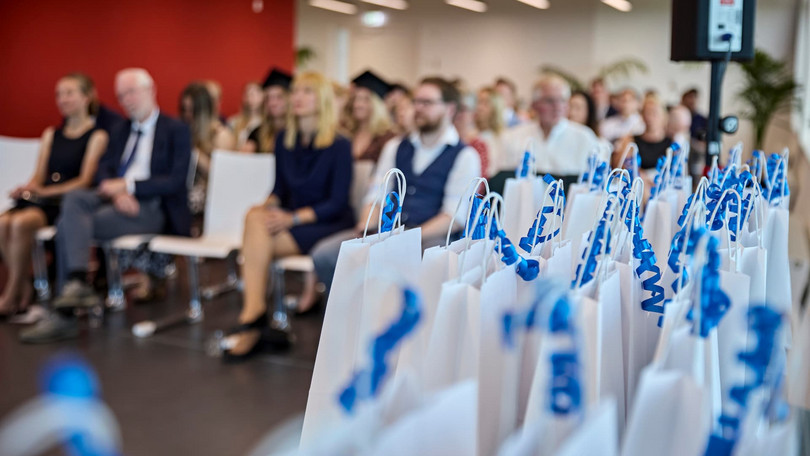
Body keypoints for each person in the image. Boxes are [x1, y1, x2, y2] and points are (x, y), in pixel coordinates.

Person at [20, 68, 192, 343]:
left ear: (151, 90)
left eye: (131, 92)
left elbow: (175, 180)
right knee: (75, 199)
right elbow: (104, 169)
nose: (126, 100)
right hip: (115, 202)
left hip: (150, 207)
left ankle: (66, 313)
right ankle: (76, 285)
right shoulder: (119, 129)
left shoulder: (176, 130)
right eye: (121, 95)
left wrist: (129, 187)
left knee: (67, 224)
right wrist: (116, 193)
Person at [223, 71, 354, 359]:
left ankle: (252, 321)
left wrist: (292, 218)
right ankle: (254, 313)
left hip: (326, 223)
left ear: (321, 100)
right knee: (254, 216)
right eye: (296, 91)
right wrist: (266, 205)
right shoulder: (284, 139)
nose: (297, 97)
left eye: (306, 92)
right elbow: (279, 190)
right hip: (293, 222)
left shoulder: (339, 144)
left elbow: (336, 202)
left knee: (256, 230)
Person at [311, 76, 482, 295]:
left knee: (428, 264)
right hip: (389, 230)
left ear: (449, 109)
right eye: (416, 101)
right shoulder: (395, 146)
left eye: (427, 103)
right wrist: (367, 222)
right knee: (325, 254)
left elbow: (454, 217)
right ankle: (351, 318)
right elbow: (378, 193)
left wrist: (408, 238)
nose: (418, 108)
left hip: (431, 237)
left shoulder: (465, 155)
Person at [0, 73, 108, 318]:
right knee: (3, 221)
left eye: (69, 93)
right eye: (59, 94)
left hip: (63, 202)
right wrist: (27, 189)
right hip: (41, 198)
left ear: (86, 97)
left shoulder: (96, 136)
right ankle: (24, 286)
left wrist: (45, 191)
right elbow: (38, 175)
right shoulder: (51, 134)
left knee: (20, 223)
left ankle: (11, 293)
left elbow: (84, 180)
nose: (62, 99)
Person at [497, 75, 600, 192]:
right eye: (549, 101)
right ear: (534, 105)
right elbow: (501, 182)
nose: (557, 107)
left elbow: (593, 186)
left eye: (562, 100)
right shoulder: (513, 136)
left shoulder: (584, 138)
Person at [178, 82, 236, 216]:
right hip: (183, 186)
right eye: (184, 109)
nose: (188, 114)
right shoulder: (183, 129)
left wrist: (193, 151)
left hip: (209, 193)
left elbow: (221, 175)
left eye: (192, 110)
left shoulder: (221, 135)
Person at [347, 70, 396, 163]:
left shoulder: (387, 138)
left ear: (377, 105)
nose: (357, 104)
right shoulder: (348, 134)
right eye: (355, 99)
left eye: (366, 99)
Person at [613, 97, 672, 171]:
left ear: (664, 116)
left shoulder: (672, 143)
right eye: (646, 113)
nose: (649, 117)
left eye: (654, 113)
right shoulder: (631, 140)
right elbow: (619, 166)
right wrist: (639, 173)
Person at [245, 68, 292, 154]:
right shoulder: (257, 133)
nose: (273, 103)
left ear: (289, 99)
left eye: (279, 97)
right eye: (268, 98)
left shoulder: (299, 134)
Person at [454, 91, 489, 179]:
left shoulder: (479, 145)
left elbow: (479, 184)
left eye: (463, 109)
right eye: (456, 108)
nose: (458, 113)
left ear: (474, 114)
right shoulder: (448, 139)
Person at [474, 87, 506, 178]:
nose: (479, 107)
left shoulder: (502, 138)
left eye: (485, 103)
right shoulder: (470, 136)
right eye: (477, 102)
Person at [228, 81, 265, 149]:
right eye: (248, 93)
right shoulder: (235, 122)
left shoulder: (266, 123)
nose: (251, 97)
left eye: (256, 93)